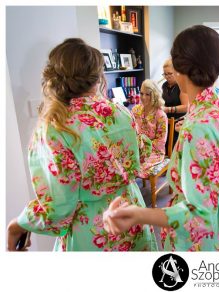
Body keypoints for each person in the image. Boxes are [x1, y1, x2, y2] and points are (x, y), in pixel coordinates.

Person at [103, 25, 219, 251]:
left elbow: (199, 216)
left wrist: (138, 214)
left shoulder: (199, 125)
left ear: (180, 67)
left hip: (207, 239)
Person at [7, 38, 157, 251]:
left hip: (93, 229)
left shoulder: (55, 127)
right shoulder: (121, 112)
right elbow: (142, 152)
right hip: (130, 213)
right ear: (97, 77)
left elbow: (58, 207)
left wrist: (19, 224)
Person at [132, 79, 168, 178]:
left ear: (154, 95)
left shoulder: (161, 115)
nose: (143, 97)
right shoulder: (135, 110)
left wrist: (144, 147)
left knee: (136, 166)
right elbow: (132, 131)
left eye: (147, 94)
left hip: (154, 151)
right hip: (137, 148)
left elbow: (161, 141)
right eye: (142, 93)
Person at [161, 58, 189, 153]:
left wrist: (168, 109)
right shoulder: (164, 86)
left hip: (178, 124)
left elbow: (186, 107)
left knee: (175, 151)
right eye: (165, 74)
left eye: (170, 74)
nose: (167, 77)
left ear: (176, 72)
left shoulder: (181, 86)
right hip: (166, 123)